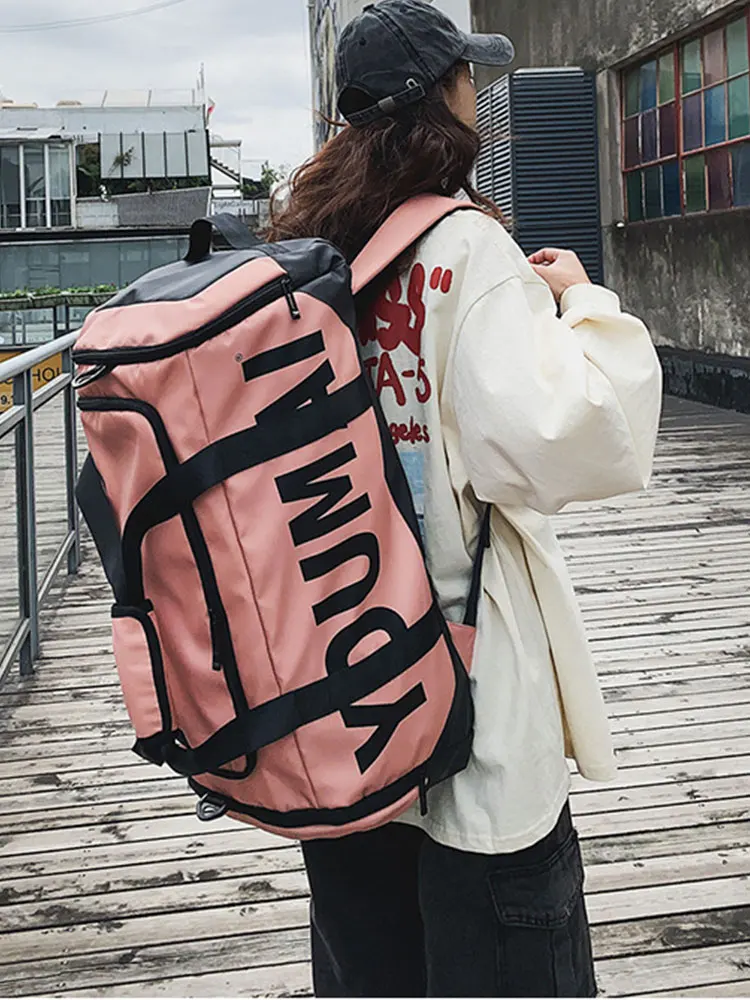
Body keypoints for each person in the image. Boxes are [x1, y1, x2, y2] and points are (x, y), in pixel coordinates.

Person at [268, 1, 662, 996]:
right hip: (470, 721)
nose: (475, 93)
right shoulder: (464, 249)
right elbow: (573, 441)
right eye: (466, 77)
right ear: (443, 97)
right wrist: (582, 303)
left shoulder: (311, 255)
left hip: (343, 716)